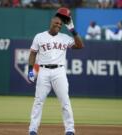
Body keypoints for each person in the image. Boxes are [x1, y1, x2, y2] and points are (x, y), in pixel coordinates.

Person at [27, 7, 84, 135]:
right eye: (56, 23)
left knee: (65, 101)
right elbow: (32, 54)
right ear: (51, 22)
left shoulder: (65, 37)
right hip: (43, 71)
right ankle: (32, 129)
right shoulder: (39, 36)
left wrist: (73, 30)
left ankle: (70, 129)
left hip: (59, 72)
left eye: (60, 24)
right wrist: (31, 70)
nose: (58, 25)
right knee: (38, 101)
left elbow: (80, 46)